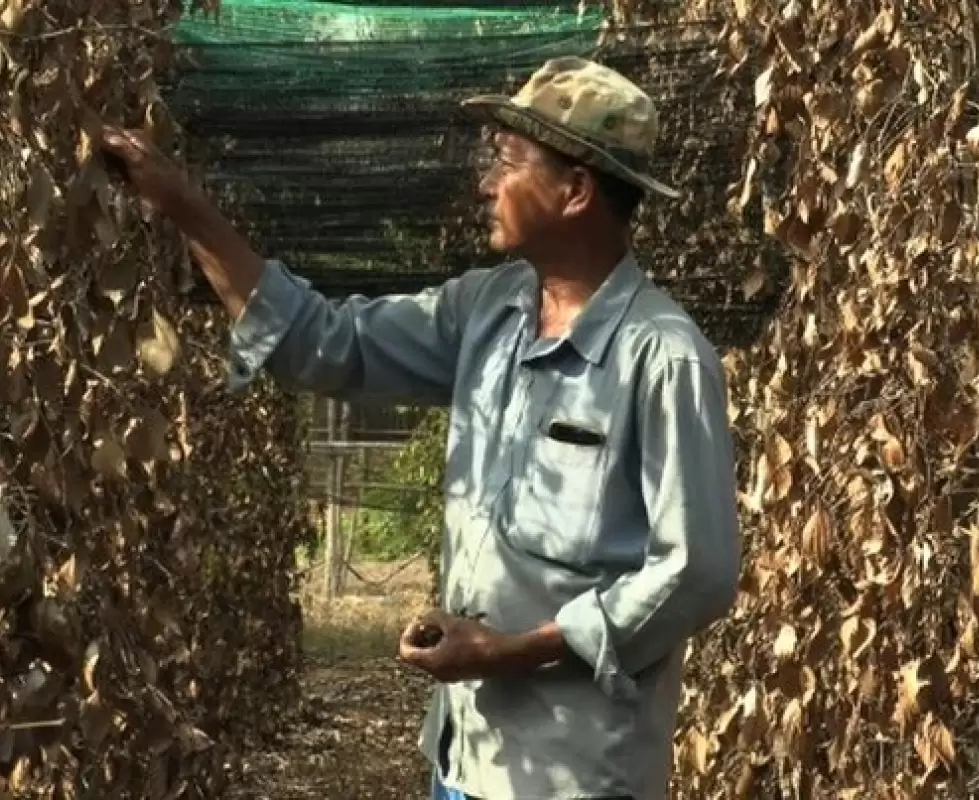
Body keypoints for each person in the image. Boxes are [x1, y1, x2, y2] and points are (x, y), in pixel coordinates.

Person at [99, 55, 741, 800]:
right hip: (461, 759)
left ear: (575, 191)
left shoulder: (661, 357)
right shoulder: (488, 313)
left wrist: (510, 652)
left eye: (506, 162)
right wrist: (183, 206)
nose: (483, 183)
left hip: (573, 777)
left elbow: (694, 573)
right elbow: (329, 346)